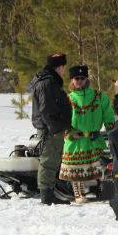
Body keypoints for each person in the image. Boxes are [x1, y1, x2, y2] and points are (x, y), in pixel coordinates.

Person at [59, 65, 115, 204]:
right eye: (76, 78)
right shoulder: (67, 99)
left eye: (82, 78)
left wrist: (112, 132)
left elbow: (108, 116)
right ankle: (79, 193)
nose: (79, 81)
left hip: (94, 138)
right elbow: (61, 118)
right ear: (72, 80)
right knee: (75, 170)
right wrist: (69, 132)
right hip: (75, 140)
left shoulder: (100, 96)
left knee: (102, 165)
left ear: (86, 79)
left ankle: (102, 191)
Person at [29, 53, 72, 205]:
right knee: (49, 160)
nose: (64, 71)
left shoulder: (49, 81)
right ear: (59, 67)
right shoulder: (47, 83)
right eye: (63, 67)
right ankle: (46, 195)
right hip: (50, 129)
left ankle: (50, 191)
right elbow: (46, 109)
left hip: (52, 127)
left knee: (52, 159)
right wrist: (54, 128)